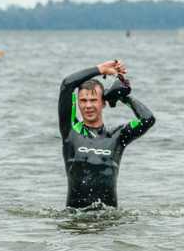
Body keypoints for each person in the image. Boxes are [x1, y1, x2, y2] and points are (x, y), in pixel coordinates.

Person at [58, 60, 155, 209]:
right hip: (76, 222)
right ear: (77, 103)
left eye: (93, 100)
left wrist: (123, 97)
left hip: (109, 224)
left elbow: (148, 119)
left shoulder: (118, 136)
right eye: (83, 100)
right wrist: (100, 69)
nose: (88, 105)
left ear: (103, 103)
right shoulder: (70, 131)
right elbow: (67, 84)